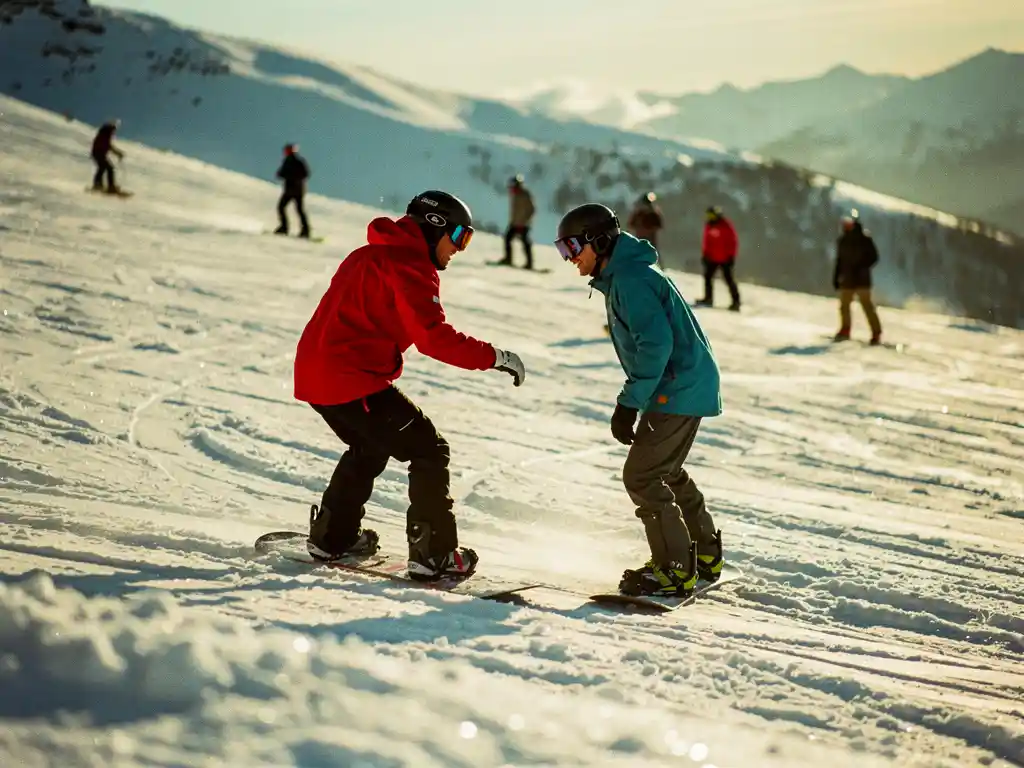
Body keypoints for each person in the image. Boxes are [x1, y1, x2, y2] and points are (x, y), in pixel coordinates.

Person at [293, 190, 527, 580]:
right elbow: (433, 338)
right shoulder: (411, 265)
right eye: (459, 236)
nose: (459, 249)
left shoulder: (367, 254)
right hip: (351, 379)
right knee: (430, 449)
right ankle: (433, 555)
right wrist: (495, 357)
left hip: (315, 376)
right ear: (434, 228)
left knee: (370, 444)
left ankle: (333, 537)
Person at [554, 202, 724, 598]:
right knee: (664, 469)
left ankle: (675, 569)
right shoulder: (627, 276)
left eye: (573, 248)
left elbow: (655, 344)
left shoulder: (629, 279)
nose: (571, 258)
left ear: (599, 240)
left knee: (643, 475)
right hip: (683, 384)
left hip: (678, 387)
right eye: (564, 250)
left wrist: (629, 402)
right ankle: (704, 555)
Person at [833, 210, 883, 344]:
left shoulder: (865, 239)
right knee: (844, 305)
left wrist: (862, 266)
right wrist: (836, 277)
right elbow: (839, 261)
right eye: (844, 222)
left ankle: (876, 333)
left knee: (867, 305)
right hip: (848, 279)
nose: (846, 224)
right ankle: (845, 329)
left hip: (861, 279)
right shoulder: (842, 240)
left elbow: (874, 257)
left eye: (848, 222)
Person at [696, 206, 741, 311]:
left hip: (725, 258)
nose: (710, 217)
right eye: (709, 215)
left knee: (729, 279)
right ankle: (708, 299)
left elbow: (733, 241)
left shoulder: (725, 225)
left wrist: (731, 256)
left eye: (712, 215)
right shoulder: (709, 225)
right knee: (708, 277)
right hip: (712, 258)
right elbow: (706, 241)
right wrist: (705, 254)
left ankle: (736, 302)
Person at [496, 174, 536, 269]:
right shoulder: (514, 195)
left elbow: (531, 209)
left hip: (523, 224)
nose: (511, 189)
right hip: (514, 223)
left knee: (525, 243)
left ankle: (529, 264)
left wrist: (525, 221)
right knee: (507, 239)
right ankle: (508, 259)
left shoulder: (525, 195)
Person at [274, 143, 311, 238]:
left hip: (295, 190)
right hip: (293, 190)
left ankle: (288, 228)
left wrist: (290, 176)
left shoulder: (297, 162)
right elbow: (280, 173)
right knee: (289, 208)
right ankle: (301, 230)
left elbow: (305, 174)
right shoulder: (288, 162)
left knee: (287, 208)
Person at [90, 120, 124, 193]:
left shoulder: (104, 134)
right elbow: (108, 146)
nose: (114, 132)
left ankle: (98, 184)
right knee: (109, 168)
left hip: (98, 154)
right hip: (98, 154)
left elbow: (108, 146)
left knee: (103, 168)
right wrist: (118, 153)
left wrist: (118, 153)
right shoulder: (105, 135)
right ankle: (109, 187)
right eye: (113, 130)